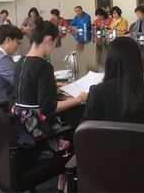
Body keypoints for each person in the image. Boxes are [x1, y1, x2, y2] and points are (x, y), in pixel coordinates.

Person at [11, 18, 87, 189]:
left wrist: (51, 84)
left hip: (20, 126)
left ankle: (62, 182)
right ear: (48, 40)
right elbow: (48, 108)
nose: (54, 47)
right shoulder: (43, 66)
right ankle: (66, 182)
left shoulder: (20, 61)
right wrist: (79, 99)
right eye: (55, 43)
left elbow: (30, 88)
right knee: (76, 132)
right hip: (37, 135)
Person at [83, 37, 144, 128]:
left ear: (109, 61)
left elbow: (85, 132)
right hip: (143, 142)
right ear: (137, 61)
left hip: (106, 142)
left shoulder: (96, 93)